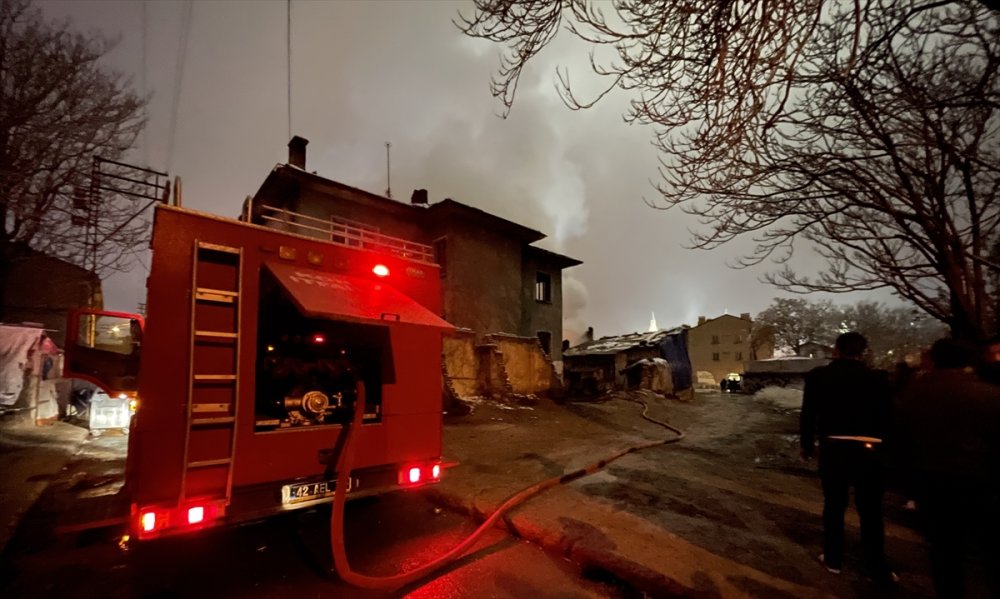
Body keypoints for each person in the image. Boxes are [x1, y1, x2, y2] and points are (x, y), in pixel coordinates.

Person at [895, 338, 1000, 599]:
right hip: (982, 480)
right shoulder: (989, 393)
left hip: (932, 480)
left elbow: (900, 438)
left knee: (944, 548)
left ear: (935, 359)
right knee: (990, 547)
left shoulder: (913, 393)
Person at [800, 332, 896, 583]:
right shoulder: (877, 378)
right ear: (862, 352)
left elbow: (808, 414)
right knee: (871, 511)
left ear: (836, 350)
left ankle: (833, 558)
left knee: (834, 505)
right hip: (870, 450)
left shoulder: (819, 377)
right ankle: (876, 566)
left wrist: (807, 445)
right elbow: (888, 417)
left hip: (834, 448)